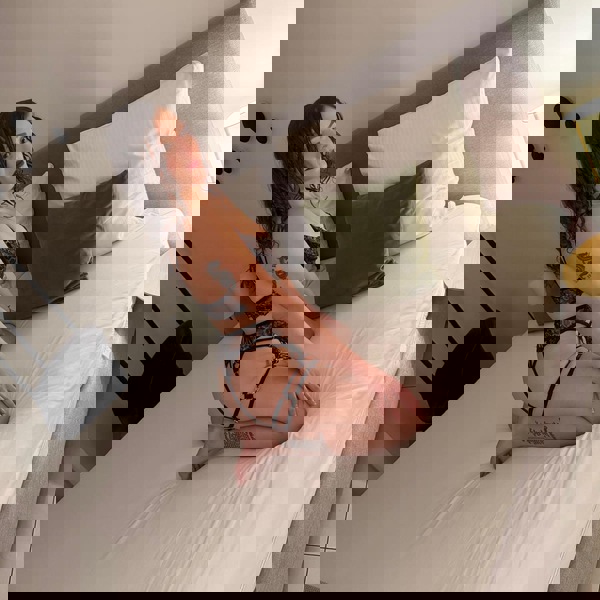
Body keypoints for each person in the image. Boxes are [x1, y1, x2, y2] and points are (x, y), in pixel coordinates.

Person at [157, 97, 424, 455]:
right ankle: (169, 147)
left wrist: (225, 436)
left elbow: (257, 430)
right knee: (202, 219)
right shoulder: (340, 379)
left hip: (251, 301)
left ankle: (167, 149)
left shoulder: (307, 405)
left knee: (197, 224)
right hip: (262, 297)